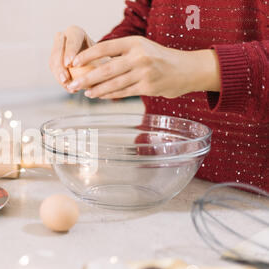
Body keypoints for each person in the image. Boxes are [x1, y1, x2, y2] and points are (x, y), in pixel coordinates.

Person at [50, 0, 268, 192]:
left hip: (256, 201)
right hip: (159, 177)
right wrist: (99, 59)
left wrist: (193, 68)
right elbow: (143, 20)